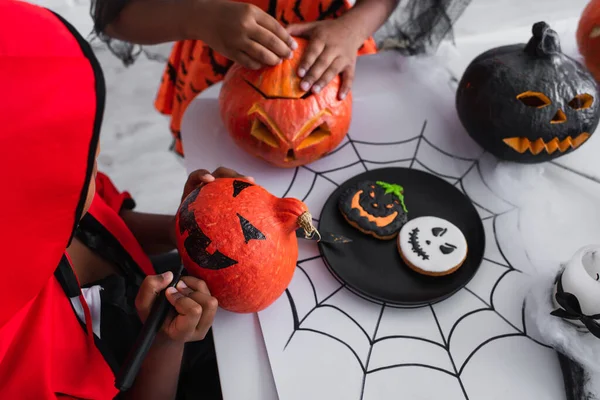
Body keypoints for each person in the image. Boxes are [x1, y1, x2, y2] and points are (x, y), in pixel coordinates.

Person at [0, 1, 246, 398]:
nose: (96, 157)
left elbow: (109, 219)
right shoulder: (20, 368)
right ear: (28, 193)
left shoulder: (50, 197)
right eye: (81, 152)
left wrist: (184, 226)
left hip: (158, 299)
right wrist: (165, 344)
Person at [90, 0, 400, 156]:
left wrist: (354, 27)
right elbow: (115, 17)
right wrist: (196, 17)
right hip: (216, 61)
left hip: (334, 53)